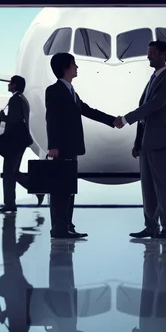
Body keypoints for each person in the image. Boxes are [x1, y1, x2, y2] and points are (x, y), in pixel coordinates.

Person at [45, 52, 116, 239]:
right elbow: (51, 119)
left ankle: (67, 225)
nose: (77, 67)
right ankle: (59, 228)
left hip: (71, 147)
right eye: (74, 64)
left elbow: (87, 110)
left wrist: (113, 121)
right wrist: (53, 145)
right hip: (61, 148)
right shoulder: (54, 90)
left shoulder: (71, 92)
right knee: (61, 190)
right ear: (65, 67)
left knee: (68, 189)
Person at [115, 41, 166, 239]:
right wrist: (137, 143)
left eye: (152, 52)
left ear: (163, 54)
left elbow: (153, 106)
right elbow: (145, 115)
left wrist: (125, 119)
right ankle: (151, 226)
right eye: (148, 52)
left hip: (160, 141)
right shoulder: (152, 80)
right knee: (148, 188)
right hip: (146, 143)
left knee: (164, 186)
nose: (148, 56)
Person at [0, 75, 44, 213]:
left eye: (10, 83)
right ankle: (35, 189)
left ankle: (11, 203)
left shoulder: (15, 100)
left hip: (14, 141)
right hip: (20, 140)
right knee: (13, 172)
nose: (8, 85)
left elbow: (14, 120)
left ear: (15, 85)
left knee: (8, 172)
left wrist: (3, 118)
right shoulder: (22, 99)